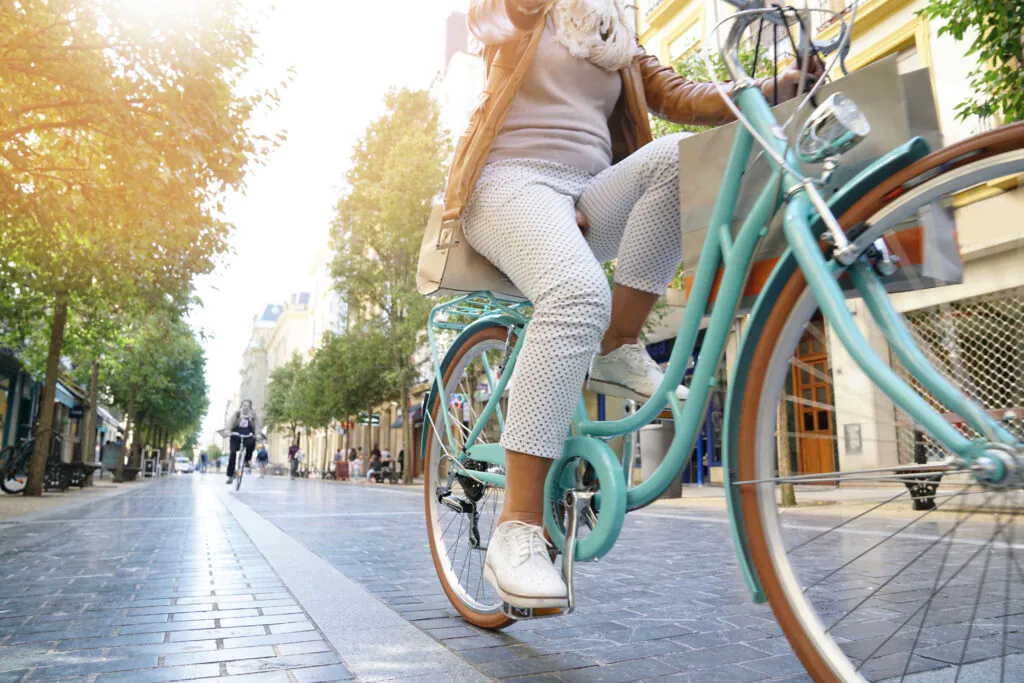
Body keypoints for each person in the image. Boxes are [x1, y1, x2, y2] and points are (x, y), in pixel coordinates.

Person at [449, 0, 818, 608]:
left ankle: (617, 345)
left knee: (679, 162)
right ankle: (517, 529)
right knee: (576, 293)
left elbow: (679, 96)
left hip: (588, 195)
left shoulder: (612, 27)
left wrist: (771, 88)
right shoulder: (517, 12)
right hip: (510, 185)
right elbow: (491, 19)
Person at [224, 399, 258, 485]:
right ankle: (230, 475)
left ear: (250, 407)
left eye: (248, 406)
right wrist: (228, 430)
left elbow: (257, 425)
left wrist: (257, 434)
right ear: (241, 406)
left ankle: (246, 460)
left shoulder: (253, 415)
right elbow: (230, 423)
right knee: (232, 454)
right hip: (235, 435)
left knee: (252, 443)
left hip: (248, 435)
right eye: (244, 405)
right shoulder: (237, 413)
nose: (246, 407)